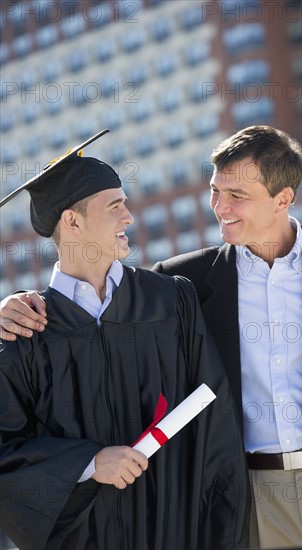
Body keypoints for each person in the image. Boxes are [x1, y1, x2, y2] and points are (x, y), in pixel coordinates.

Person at [1, 126, 302, 548]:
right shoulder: (181, 285)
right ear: (71, 221)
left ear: (283, 198)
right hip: (247, 498)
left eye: (237, 196)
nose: (219, 207)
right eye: (215, 190)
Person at [0, 131, 248, 550]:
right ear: (72, 222)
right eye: (115, 206)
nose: (129, 218)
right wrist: (88, 463)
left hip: (177, 532)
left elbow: (216, 425)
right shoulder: (25, 331)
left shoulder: (171, 301)